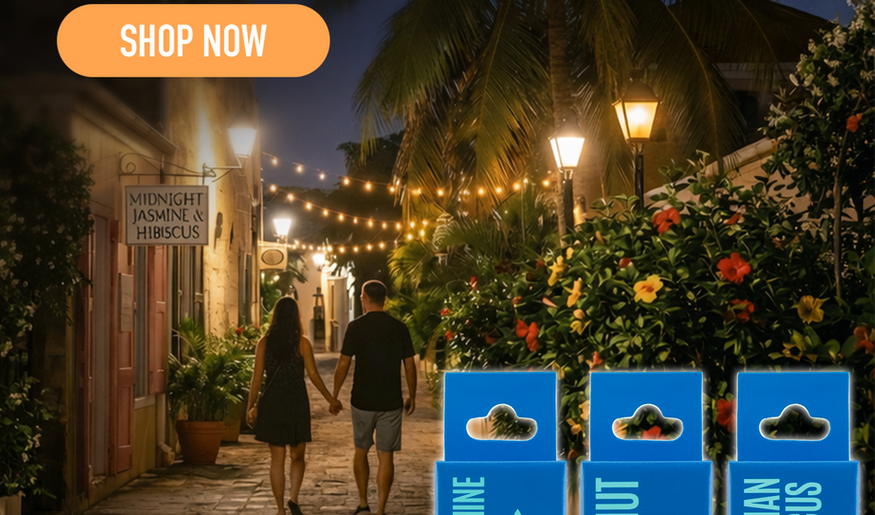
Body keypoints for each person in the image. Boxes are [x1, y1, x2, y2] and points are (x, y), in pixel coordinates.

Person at [247, 296, 343, 515]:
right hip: (296, 401)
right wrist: (331, 399)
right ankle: (293, 498)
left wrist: (250, 406)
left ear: (276, 316)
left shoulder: (264, 342)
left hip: (272, 402)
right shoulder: (303, 342)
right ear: (296, 317)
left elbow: (256, 378)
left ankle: (280, 509)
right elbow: (313, 375)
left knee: (277, 459)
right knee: (298, 456)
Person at [332, 280, 416, 515]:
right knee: (386, 454)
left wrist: (334, 395)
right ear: (384, 299)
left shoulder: (355, 327)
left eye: (361, 297)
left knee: (361, 449)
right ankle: (381, 509)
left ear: (365, 299)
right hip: (391, 400)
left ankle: (362, 503)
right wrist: (412, 395)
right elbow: (409, 366)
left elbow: (343, 364)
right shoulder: (399, 328)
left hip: (362, 399)